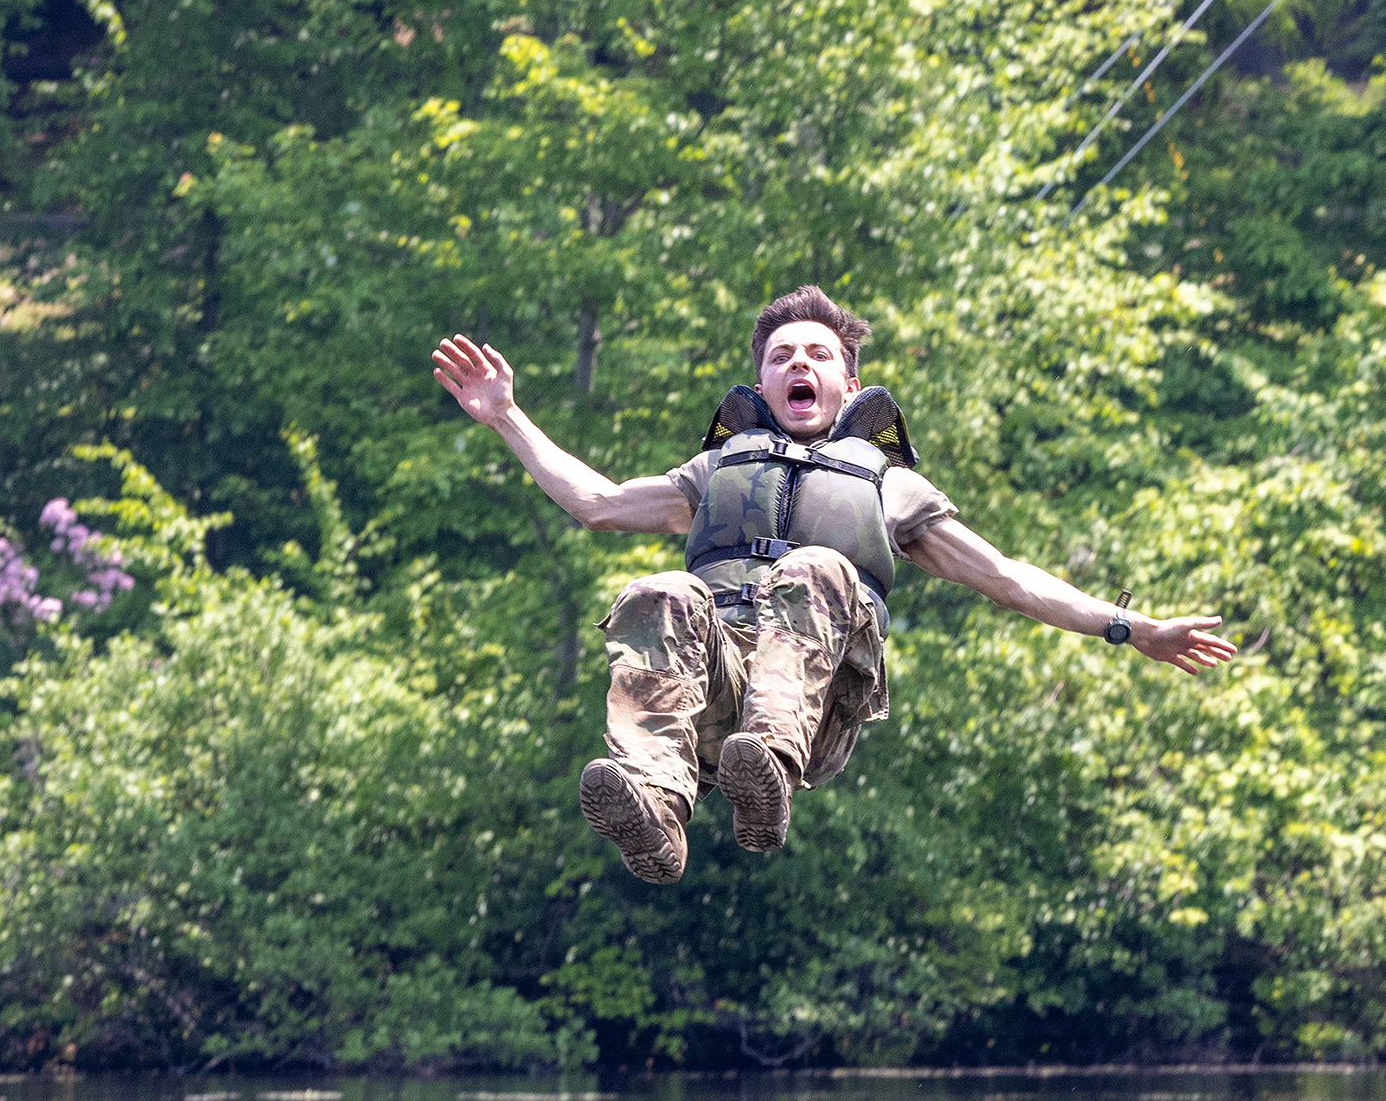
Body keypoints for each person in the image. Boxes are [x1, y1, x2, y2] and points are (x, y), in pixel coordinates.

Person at [430, 285, 1239, 883]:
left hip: (816, 711)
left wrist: (1134, 628)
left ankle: (769, 776)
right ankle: (658, 813)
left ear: (849, 387)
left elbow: (1008, 578)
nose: (798, 364)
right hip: (720, 695)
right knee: (659, 592)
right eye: (781, 356)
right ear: (763, 384)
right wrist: (506, 415)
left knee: (816, 566)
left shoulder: (887, 486)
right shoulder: (717, 470)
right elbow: (596, 504)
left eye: (817, 354)